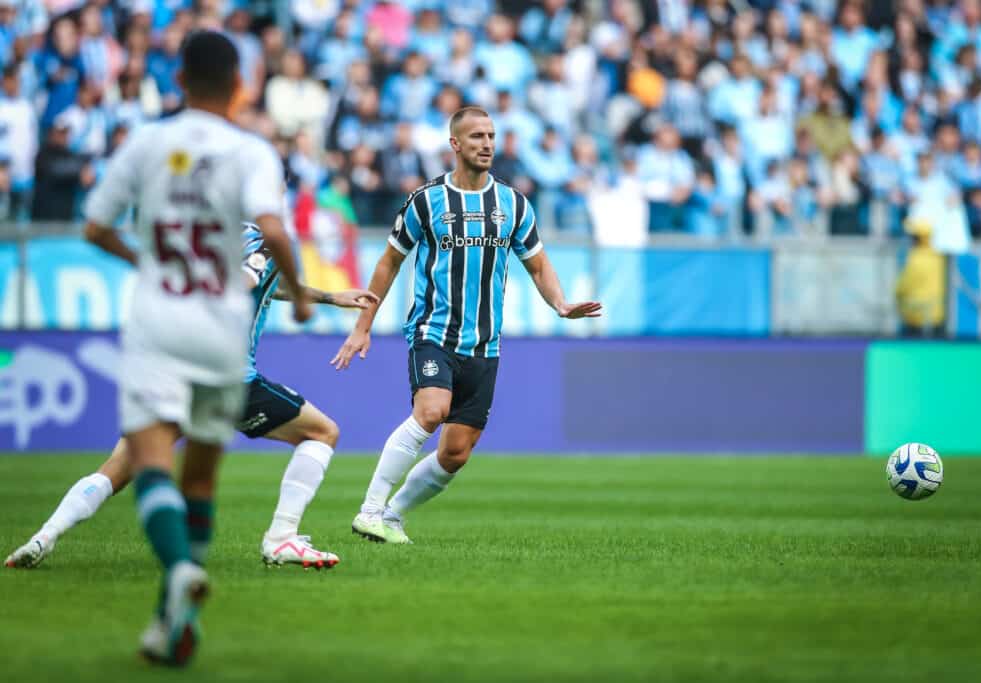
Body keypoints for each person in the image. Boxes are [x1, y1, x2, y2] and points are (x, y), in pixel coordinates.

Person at [77, 31, 309, 667]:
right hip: (222, 331)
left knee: (151, 461)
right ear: (239, 86)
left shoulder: (148, 143)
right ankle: (173, 621)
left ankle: (178, 568)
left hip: (161, 323)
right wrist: (302, 292)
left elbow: (95, 226)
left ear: (178, 81)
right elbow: (273, 229)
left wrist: (143, 258)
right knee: (201, 475)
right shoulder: (252, 150)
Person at [5, 223, 378, 572]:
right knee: (322, 432)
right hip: (226, 377)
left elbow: (263, 283)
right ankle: (281, 538)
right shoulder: (263, 238)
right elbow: (246, 281)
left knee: (120, 466)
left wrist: (329, 297)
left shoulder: (205, 232)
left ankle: (44, 537)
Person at [331, 106, 602, 544]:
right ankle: (369, 510)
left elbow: (537, 265)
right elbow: (389, 263)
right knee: (431, 411)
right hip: (433, 333)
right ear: (455, 144)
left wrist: (560, 304)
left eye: (491, 135)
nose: (487, 144)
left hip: (484, 344)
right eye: (476, 136)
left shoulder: (512, 204)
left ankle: (393, 515)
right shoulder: (426, 200)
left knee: (456, 453)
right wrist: (363, 325)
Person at [895, 216, 945, 337]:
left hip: (915, 317)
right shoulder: (939, 258)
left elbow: (901, 288)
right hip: (937, 316)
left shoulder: (915, 259)